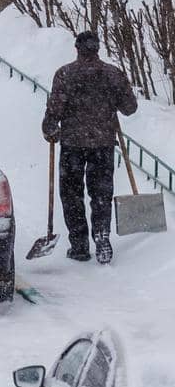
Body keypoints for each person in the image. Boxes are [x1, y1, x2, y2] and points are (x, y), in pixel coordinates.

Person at [42, 31, 139, 264]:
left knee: (72, 194)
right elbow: (130, 107)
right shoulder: (113, 74)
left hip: (73, 144)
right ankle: (102, 234)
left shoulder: (65, 74)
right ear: (97, 49)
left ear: (77, 48)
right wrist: (113, 98)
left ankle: (79, 245)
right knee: (101, 193)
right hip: (103, 144)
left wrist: (49, 127)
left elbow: (55, 108)